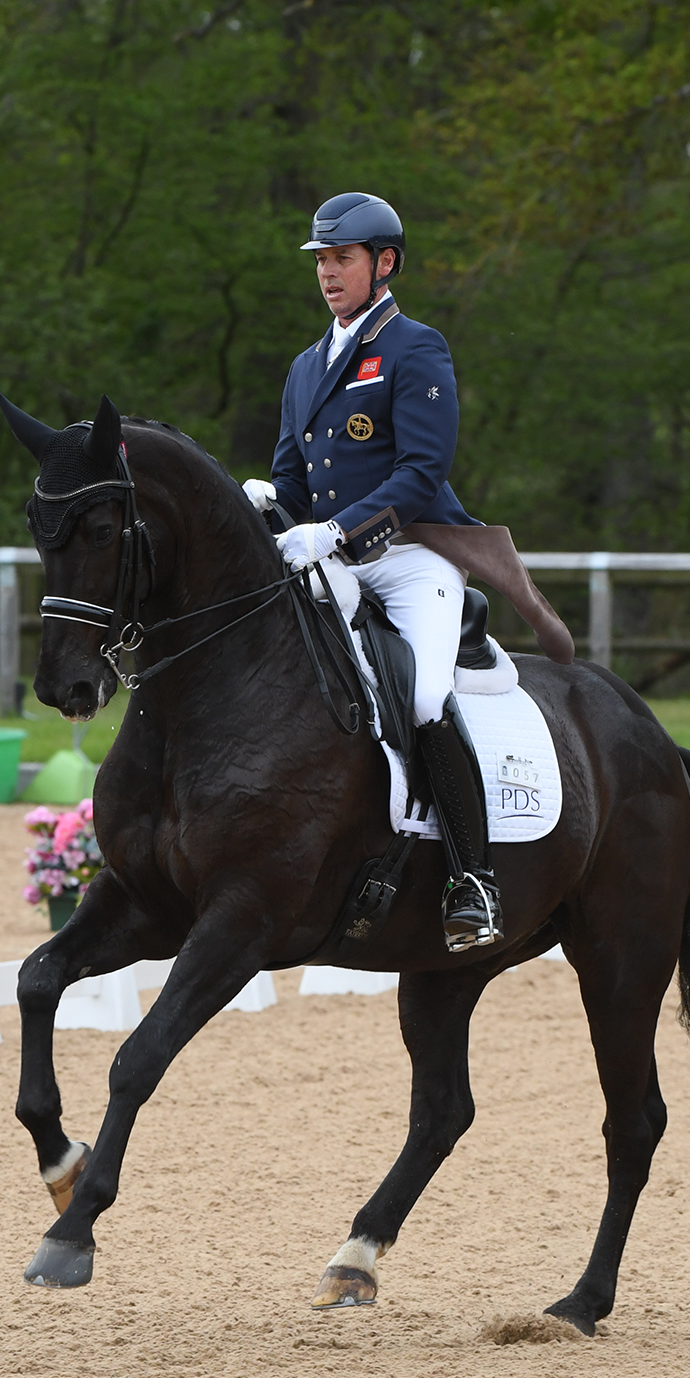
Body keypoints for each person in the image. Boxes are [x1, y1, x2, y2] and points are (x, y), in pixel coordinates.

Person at [242, 191, 503, 952]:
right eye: (321, 260)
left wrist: (334, 529)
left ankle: (472, 879)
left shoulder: (416, 347)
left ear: (383, 263)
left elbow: (422, 471)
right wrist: (268, 504)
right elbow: (293, 480)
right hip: (335, 560)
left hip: (414, 557)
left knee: (422, 694)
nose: (328, 273)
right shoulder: (303, 367)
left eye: (342, 258)